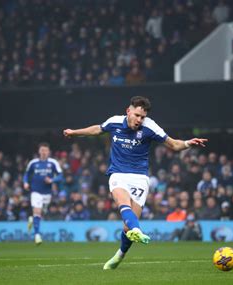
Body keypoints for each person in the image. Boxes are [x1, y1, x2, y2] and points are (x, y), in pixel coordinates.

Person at [63, 96, 207, 270]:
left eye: (142, 117)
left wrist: (188, 143)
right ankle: (137, 230)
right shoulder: (115, 122)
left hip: (139, 178)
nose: (139, 120)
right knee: (123, 203)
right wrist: (74, 132)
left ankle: (120, 254)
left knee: (127, 226)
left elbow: (174, 145)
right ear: (128, 111)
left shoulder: (150, 126)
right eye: (137, 115)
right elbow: (97, 130)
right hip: (118, 174)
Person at [24, 142, 63, 245]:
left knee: (41, 213)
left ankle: (32, 219)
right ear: (39, 151)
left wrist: (52, 180)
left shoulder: (53, 163)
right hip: (35, 191)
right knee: (37, 211)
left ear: (49, 152)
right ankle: (37, 235)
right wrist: (25, 182)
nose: (44, 152)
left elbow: (60, 176)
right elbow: (27, 174)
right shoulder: (33, 163)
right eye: (42, 150)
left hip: (47, 193)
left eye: (45, 150)